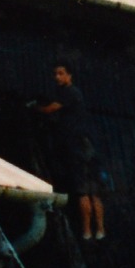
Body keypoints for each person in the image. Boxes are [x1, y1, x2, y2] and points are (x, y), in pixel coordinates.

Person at [33, 63, 107, 240]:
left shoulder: (69, 92)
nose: (57, 77)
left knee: (82, 191)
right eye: (55, 74)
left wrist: (35, 108)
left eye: (61, 73)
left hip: (78, 147)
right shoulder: (72, 94)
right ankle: (99, 231)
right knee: (93, 192)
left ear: (70, 75)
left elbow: (51, 109)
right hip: (86, 145)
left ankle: (87, 232)